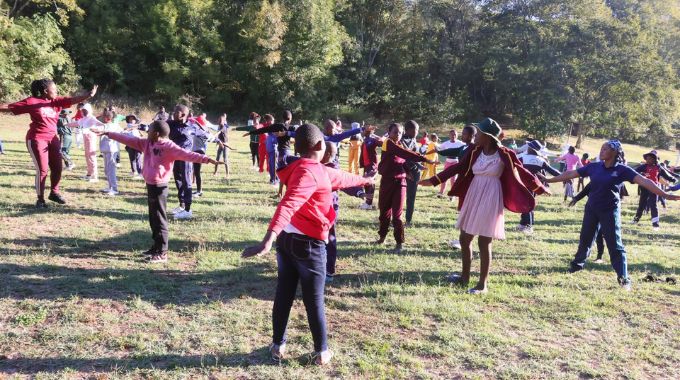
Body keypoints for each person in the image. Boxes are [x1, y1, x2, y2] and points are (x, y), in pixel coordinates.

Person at [241, 124, 372, 365]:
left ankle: (278, 345)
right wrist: (267, 240)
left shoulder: (307, 168)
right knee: (314, 300)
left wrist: (365, 180)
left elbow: (342, 178)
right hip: (308, 246)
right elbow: (288, 204)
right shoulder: (310, 173)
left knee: (284, 293)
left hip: (287, 242)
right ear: (321, 146)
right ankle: (321, 352)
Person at [419, 118, 548, 294]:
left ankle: (482, 285)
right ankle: (464, 277)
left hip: (491, 194)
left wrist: (538, 187)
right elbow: (457, 168)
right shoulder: (474, 151)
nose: (475, 135)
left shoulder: (505, 154)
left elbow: (522, 171)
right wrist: (434, 180)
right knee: (465, 237)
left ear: (488, 136)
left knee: (484, 240)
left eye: (479, 133)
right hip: (473, 193)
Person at [545, 140, 680, 290]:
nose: (601, 151)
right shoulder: (594, 167)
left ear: (615, 152)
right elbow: (571, 173)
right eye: (601, 148)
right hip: (591, 208)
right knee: (585, 238)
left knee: (615, 245)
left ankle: (624, 278)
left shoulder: (622, 170)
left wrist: (665, 195)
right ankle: (576, 266)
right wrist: (548, 180)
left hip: (609, 211)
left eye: (605, 149)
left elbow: (645, 181)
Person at [97, 120, 222, 263]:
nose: (147, 131)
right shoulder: (147, 143)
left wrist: (208, 160)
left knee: (160, 219)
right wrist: (109, 133)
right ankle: (156, 247)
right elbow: (129, 139)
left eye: (149, 129)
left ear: (156, 134)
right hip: (150, 185)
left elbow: (187, 154)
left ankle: (162, 253)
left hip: (160, 187)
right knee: (153, 219)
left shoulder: (169, 146)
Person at [0, 79, 98, 207]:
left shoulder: (56, 101)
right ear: (46, 91)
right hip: (36, 139)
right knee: (43, 170)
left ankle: (54, 192)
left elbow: (73, 100)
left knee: (58, 167)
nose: (56, 91)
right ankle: (40, 200)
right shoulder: (32, 101)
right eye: (54, 89)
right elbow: (9, 107)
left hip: (53, 138)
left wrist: (88, 95)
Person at [376, 123, 433, 253]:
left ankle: (399, 243)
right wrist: (423, 158)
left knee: (397, 215)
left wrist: (408, 172)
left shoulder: (400, 144)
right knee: (384, 211)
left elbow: (402, 160)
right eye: (395, 132)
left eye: (400, 133)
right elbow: (403, 153)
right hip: (386, 182)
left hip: (400, 182)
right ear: (389, 132)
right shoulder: (388, 143)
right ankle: (382, 237)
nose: (398, 135)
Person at [167, 105, 216, 220]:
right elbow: (156, 127)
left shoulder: (192, 126)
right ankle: (182, 205)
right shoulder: (170, 123)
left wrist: (219, 141)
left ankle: (188, 210)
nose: (173, 113)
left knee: (186, 181)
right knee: (178, 180)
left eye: (176, 112)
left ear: (183, 115)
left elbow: (206, 135)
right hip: (175, 157)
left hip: (186, 158)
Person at [516, 140, 561, 234]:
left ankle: (529, 226)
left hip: (523, 184)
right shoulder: (541, 160)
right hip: (535, 185)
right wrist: (565, 176)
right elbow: (553, 171)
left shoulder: (521, 157)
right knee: (529, 203)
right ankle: (523, 224)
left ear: (529, 148)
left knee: (527, 204)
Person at [632, 150, 676, 230]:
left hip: (654, 188)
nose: (648, 160)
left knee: (654, 205)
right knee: (642, 204)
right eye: (647, 159)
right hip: (644, 188)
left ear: (654, 160)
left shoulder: (658, 167)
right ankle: (636, 219)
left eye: (650, 159)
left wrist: (672, 179)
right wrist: (642, 174)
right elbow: (634, 172)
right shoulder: (643, 166)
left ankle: (655, 224)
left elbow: (666, 174)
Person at [569, 183, 607, 264]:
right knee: (586, 234)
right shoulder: (594, 180)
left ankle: (599, 256)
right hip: (591, 210)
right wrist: (576, 199)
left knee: (600, 235)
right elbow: (585, 191)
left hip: (604, 211)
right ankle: (583, 254)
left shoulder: (608, 180)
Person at [68, 103, 103, 183]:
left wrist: (99, 130)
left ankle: (95, 176)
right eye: (83, 110)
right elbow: (75, 123)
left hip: (91, 137)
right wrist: (65, 125)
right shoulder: (84, 119)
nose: (83, 112)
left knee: (91, 156)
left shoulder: (92, 118)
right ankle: (89, 174)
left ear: (89, 111)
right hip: (85, 137)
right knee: (87, 156)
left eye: (85, 110)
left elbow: (101, 124)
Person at [401, 120, 424, 227]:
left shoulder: (413, 140)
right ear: (409, 130)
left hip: (415, 172)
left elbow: (416, 155)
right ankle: (396, 218)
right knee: (399, 196)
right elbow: (404, 157)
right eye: (416, 130)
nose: (417, 132)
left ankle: (408, 220)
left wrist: (419, 165)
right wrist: (407, 171)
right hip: (404, 171)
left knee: (411, 196)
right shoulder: (401, 140)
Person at [97, 110, 123, 196]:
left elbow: (121, 132)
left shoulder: (114, 126)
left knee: (111, 170)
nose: (102, 118)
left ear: (107, 118)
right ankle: (110, 186)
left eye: (103, 117)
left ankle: (114, 189)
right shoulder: (105, 125)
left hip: (112, 150)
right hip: (105, 149)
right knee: (106, 170)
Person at [435, 130, 466, 197]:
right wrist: (433, 143)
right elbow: (439, 147)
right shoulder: (446, 143)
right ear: (449, 135)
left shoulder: (460, 143)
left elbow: (467, 146)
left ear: (457, 135)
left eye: (455, 134)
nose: (453, 136)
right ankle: (441, 192)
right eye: (452, 134)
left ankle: (452, 194)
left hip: (456, 162)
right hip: (448, 162)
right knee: (444, 178)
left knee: (453, 180)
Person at [358, 125, 382, 210]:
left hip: (372, 165)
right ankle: (367, 203)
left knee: (370, 184)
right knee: (366, 183)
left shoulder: (373, 140)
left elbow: (382, 142)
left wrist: (375, 135)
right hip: (366, 165)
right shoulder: (365, 139)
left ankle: (369, 204)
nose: (363, 131)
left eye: (364, 130)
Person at [214, 114, 234, 179]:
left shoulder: (223, 126)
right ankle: (215, 172)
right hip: (221, 144)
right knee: (217, 158)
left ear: (223, 121)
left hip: (225, 144)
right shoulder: (221, 125)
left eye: (221, 120)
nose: (220, 120)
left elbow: (219, 132)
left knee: (225, 159)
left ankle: (227, 174)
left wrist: (214, 136)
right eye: (219, 119)